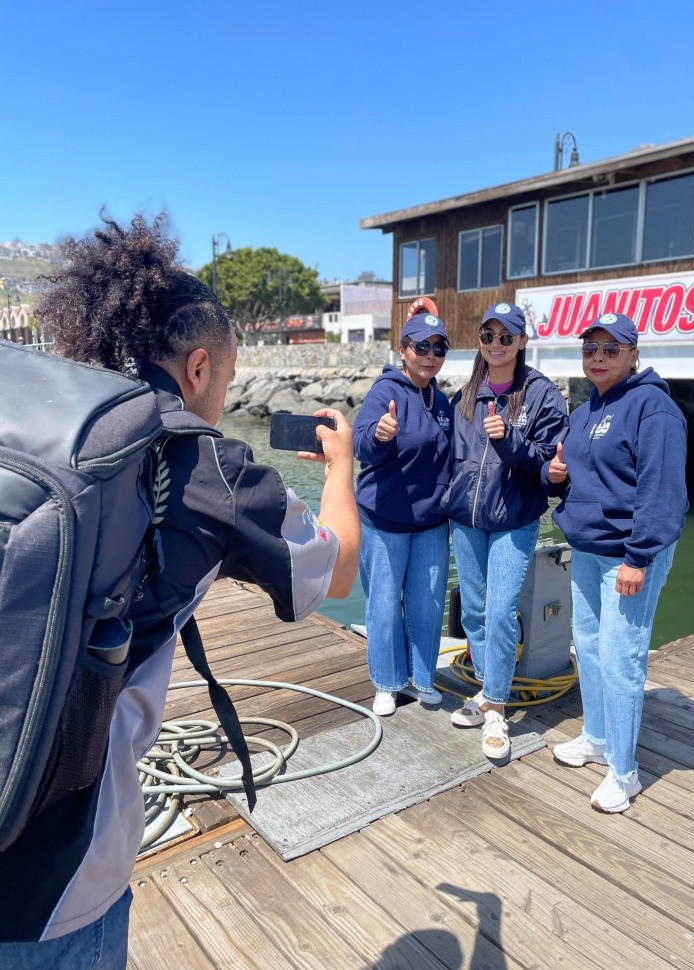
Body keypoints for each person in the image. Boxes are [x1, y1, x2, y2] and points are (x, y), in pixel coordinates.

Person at [0, 214, 360, 964]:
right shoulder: (213, 469)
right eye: (225, 383)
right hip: (58, 879)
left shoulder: (31, 414)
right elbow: (333, 570)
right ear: (198, 368)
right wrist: (340, 469)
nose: (222, 402)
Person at [545, 312, 687, 813]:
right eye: (590, 349)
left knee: (622, 657)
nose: (598, 358)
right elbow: (569, 474)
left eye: (610, 348)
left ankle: (624, 772)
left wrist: (639, 556)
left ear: (633, 353)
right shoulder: (585, 411)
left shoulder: (654, 407)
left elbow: (662, 489)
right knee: (589, 647)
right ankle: (597, 737)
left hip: (628, 556)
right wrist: (553, 473)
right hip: (587, 549)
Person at [447, 302, 567, 760]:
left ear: (521, 341)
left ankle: (495, 708)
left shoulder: (542, 396)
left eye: (505, 337)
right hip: (468, 519)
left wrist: (508, 440)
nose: (495, 345)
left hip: (514, 518)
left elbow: (549, 467)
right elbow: (452, 455)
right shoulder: (468, 392)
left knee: (499, 612)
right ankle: (486, 689)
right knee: (474, 612)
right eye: (487, 336)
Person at [353, 309, 452, 716]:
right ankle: (387, 682)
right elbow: (358, 444)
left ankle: (423, 678)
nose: (430, 355)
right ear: (404, 350)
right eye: (422, 347)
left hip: (432, 523)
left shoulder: (442, 400)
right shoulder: (384, 392)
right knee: (384, 603)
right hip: (384, 520)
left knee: (427, 602)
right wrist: (378, 435)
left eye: (439, 348)